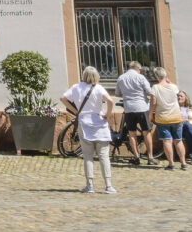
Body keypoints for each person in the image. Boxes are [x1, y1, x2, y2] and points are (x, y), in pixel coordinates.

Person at [60, 65, 117, 194]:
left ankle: (90, 185)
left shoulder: (76, 87)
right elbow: (110, 100)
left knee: (88, 156)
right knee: (104, 156)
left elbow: (63, 98)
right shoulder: (99, 88)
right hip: (100, 123)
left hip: (84, 123)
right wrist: (107, 114)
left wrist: (76, 111)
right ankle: (108, 185)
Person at [147, 67, 188, 169]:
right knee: (178, 141)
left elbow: (153, 102)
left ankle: (171, 164)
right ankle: (183, 163)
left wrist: (150, 114)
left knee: (167, 141)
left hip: (163, 118)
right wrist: (169, 81)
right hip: (176, 116)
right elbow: (177, 93)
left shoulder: (155, 87)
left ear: (156, 76)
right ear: (165, 75)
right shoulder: (173, 87)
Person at [115, 61, 153, 165]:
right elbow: (149, 91)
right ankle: (150, 157)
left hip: (129, 108)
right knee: (146, 132)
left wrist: (127, 95)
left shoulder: (121, 78)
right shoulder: (140, 77)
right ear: (138, 69)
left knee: (131, 133)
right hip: (142, 107)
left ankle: (136, 157)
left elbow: (117, 94)